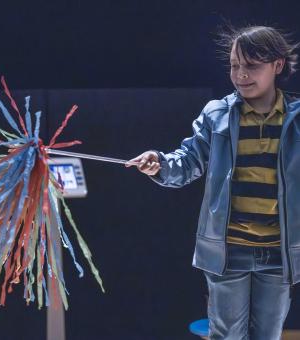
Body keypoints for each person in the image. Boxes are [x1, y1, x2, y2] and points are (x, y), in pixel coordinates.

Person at [126, 25, 300, 339]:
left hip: (279, 254)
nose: (241, 74)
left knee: (268, 335)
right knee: (227, 334)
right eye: (235, 66)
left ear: (277, 65)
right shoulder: (216, 114)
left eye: (251, 66)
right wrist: (160, 164)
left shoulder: (297, 117)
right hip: (227, 252)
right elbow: (188, 160)